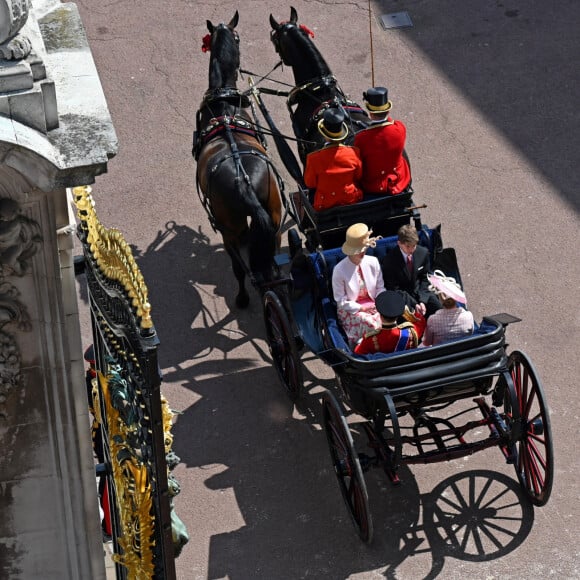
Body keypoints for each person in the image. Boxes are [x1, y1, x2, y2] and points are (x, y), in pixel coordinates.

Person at [332, 223, 385, 347]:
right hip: (351, 309)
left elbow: (380, 288)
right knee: (372, 324)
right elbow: (341, 301)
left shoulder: (373, 262)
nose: (363, 252)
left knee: (387, 320)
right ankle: (366, 347)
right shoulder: (339, 270)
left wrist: (380, 303)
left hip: (374, 304)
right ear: (350, 252)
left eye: (364, 249)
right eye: (359, 250)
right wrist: (362, 308)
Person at [353, 86, 412, 196]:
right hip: (398, 180)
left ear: (370, 113)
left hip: (372, 185)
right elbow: (391, 122)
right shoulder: (399, 128)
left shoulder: (362, 138)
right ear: (388, 110)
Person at [304, 107, 363, 211]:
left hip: (324, 204)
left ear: (324, 134)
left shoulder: (313, 158)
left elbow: (310, 183)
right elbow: (358, 175)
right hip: (351, 199)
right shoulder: (353, 152)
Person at [381, 224, 442, 316]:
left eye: (414, 246)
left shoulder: (423, 253)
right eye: (408, 246)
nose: (411, 250)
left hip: (421, 291)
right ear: (399, 243)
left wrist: (422, 301)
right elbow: (393, 288)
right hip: (403, 298)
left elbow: (426, 277)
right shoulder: (389, 261)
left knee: (439, 309)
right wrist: (413, 304)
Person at [354, 290, 426, 355]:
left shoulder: (370, 340)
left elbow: (357, 353)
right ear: (399, 314)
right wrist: (406, 313)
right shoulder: (412, 332)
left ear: (379, 314)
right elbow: (421, 321)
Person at [421, 271, 474, 346]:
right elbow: (470, 334)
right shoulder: (468, 316)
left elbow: (427, 343)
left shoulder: (432, 320)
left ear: (440, 299)